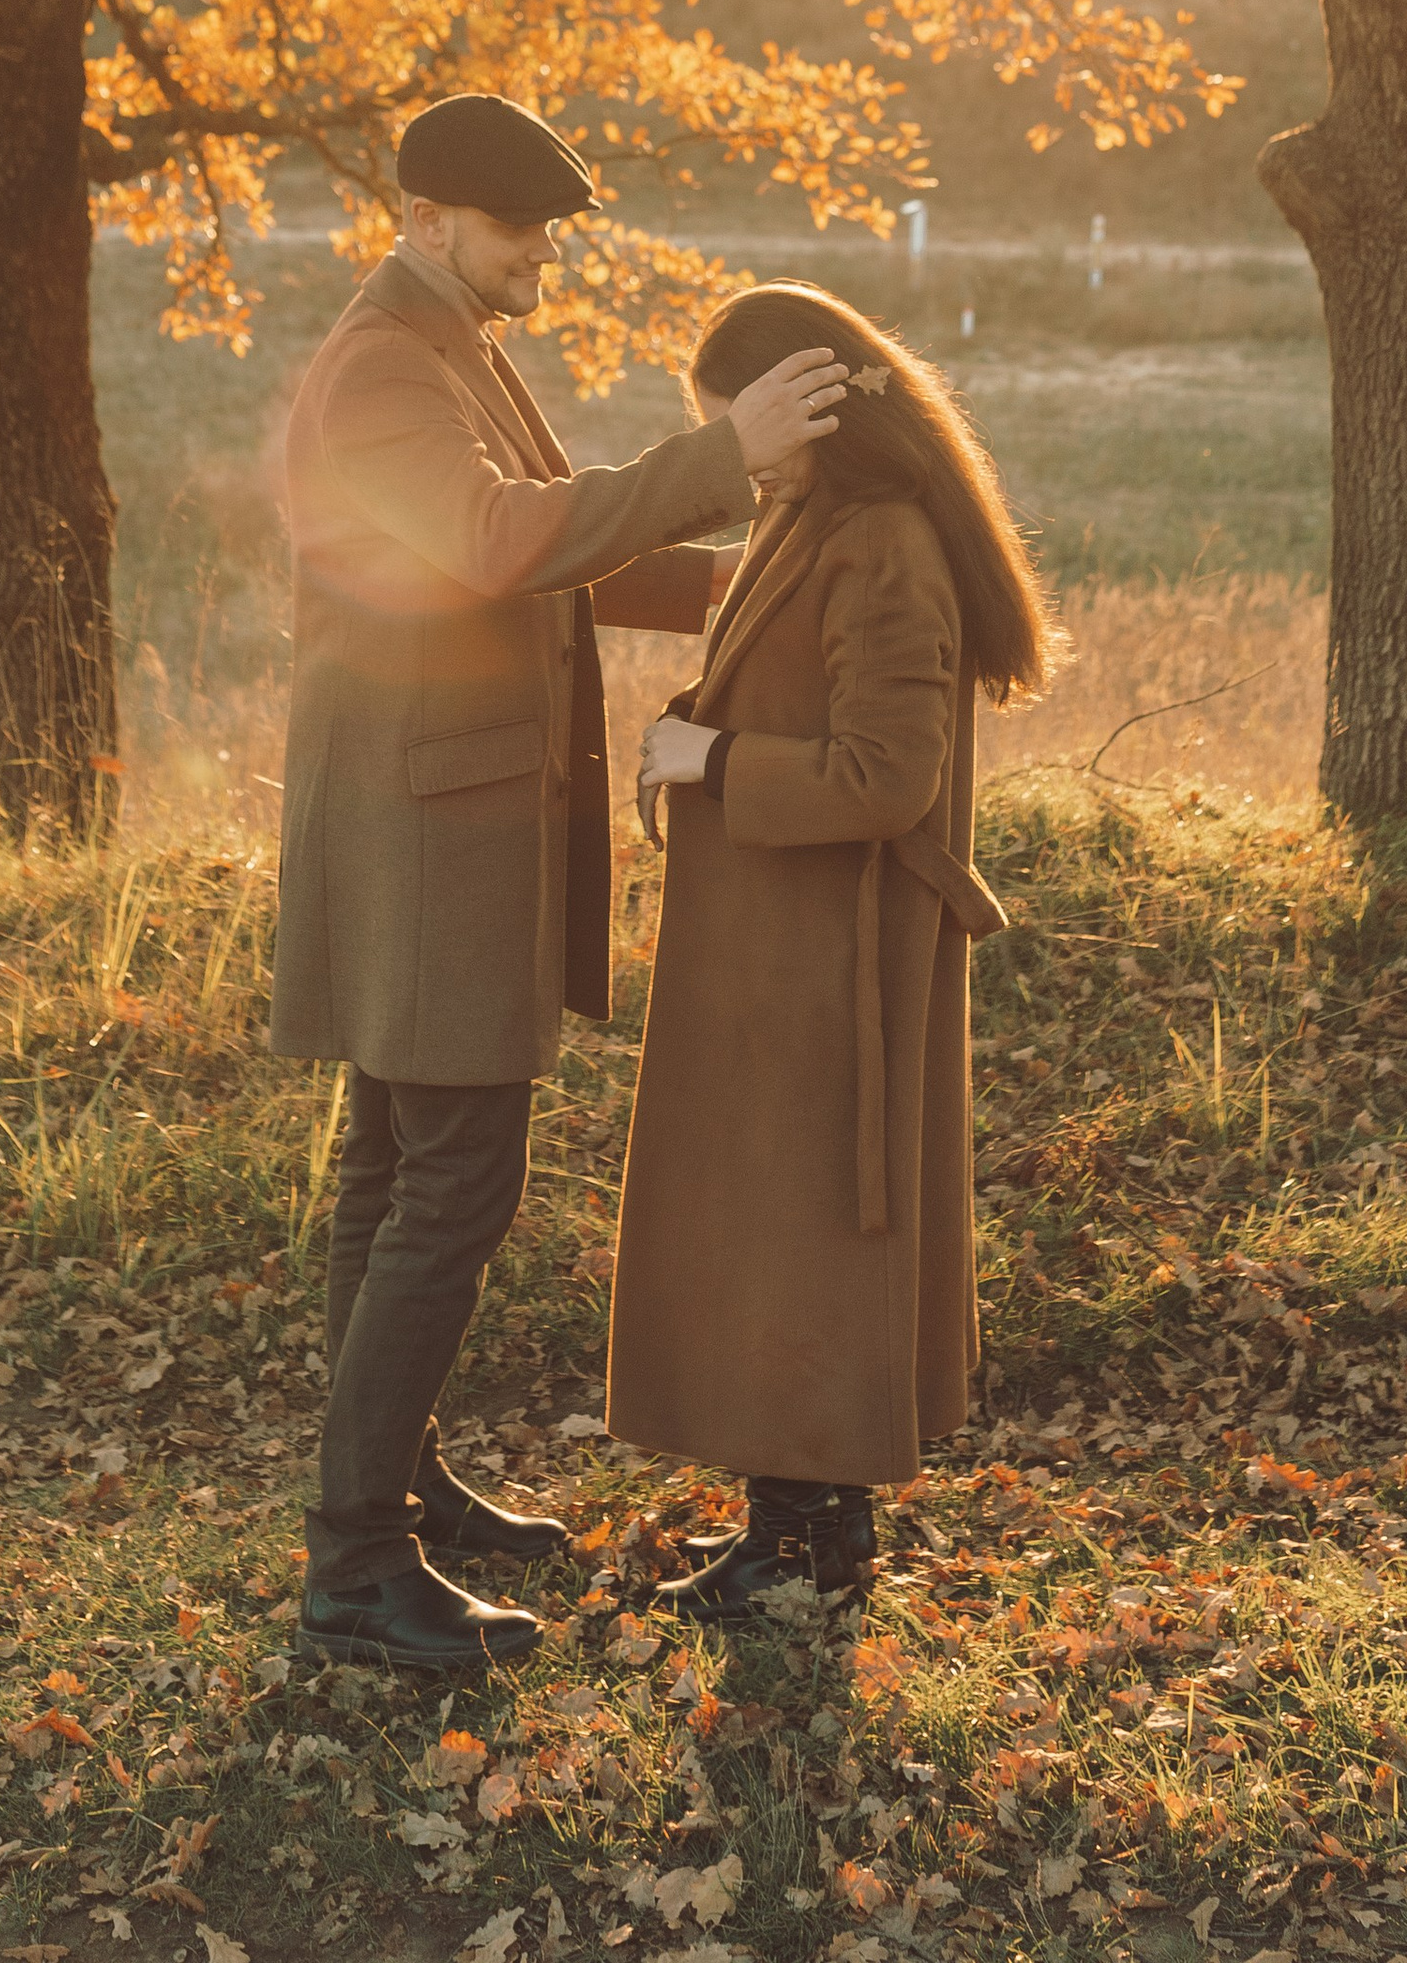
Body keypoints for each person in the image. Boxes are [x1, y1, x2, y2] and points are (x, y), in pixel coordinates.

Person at [273, 97, 852, 1677]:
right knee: (452, 1174)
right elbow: (492, 539)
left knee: (393, 1164)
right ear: (434, 216)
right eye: (521, 230)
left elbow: (553, 550)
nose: (542, 258)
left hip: (432, 809)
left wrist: (742, 578)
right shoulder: (391, 366)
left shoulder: (447, 337)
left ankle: (392, 1484)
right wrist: (722, 459)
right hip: (424, 824)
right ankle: (354, 1564)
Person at [604, 280, 1044, 1614]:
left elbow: (887, 773)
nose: (739, 451)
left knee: (805, 1234)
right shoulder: (812, 518)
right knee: (769, 1227)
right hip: (775, 946)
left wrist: (711, 753)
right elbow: (776, 659)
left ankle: (810, 1549)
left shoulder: (885, 542)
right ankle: (789, 1529)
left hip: (831, 954)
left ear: (807, 403)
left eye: (741, 421)